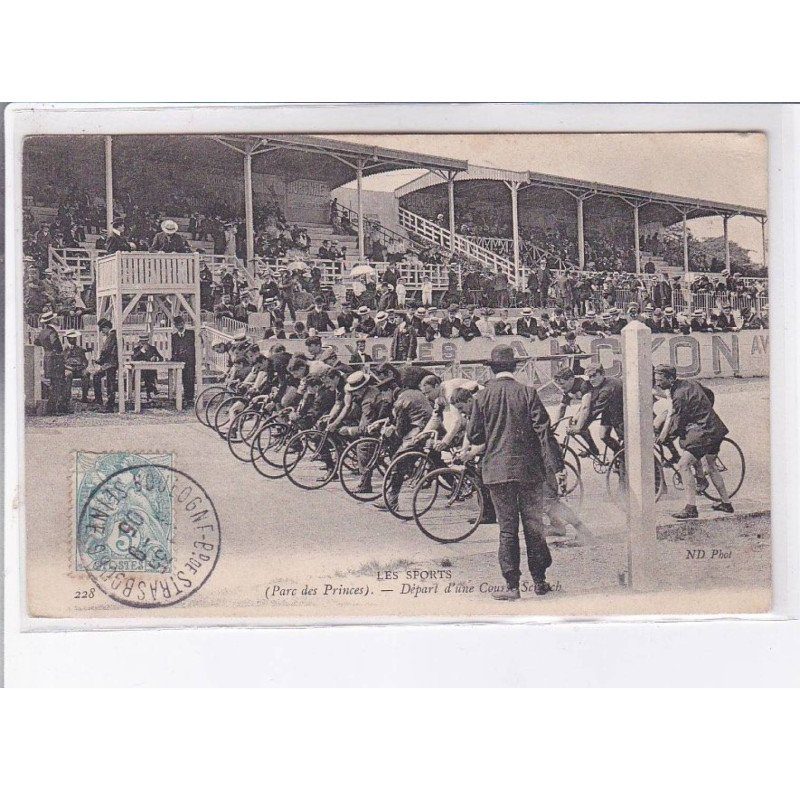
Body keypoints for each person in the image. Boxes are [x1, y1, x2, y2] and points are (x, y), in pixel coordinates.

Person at [464, 344, 565, 600]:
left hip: (497, 472)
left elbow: (474, 434)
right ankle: (540, 581)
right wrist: (557, 466)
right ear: (514, 367)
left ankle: (512, 586)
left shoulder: (481, 397)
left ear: (493, 368)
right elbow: (544, 431)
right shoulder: (528, 393)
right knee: (534, 525)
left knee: (507, 529)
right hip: (529, 470)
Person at [654, 364, 733, 519]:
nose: (658, 383)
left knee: (683, 465)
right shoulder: (690, 382)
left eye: (660, 380)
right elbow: (708, 393)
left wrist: (666, 436)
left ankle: (691, 508)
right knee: (711, 466)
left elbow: (677, 421)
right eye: (656, 380)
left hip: (704, 432)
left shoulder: (679, 395)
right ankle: (726, 503)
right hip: (715, 428)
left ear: (670, 379)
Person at [568, 364, 624, 457]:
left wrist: (579, 427)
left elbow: (594, 411)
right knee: (603, 435)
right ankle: (617, 452)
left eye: (594, 376)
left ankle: (623, 458)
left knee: (625, 441)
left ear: (602, 374)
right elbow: (589, 403)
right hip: (609, 409)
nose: (591, 379)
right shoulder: (597, 384)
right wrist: (578, 416)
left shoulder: (607, 389)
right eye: (589, 377)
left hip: (621, 413)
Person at [34, 311, 67, 414]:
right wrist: (62, 352)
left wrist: (45, 346)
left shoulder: (42, 332)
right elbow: (56, 345)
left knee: (52, 383)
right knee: (57, 383)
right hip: (55, 358)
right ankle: (54, 408)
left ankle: (51, 408)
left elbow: (36, 342)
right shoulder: (52, 332)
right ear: (51, 320)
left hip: (47, 357)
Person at [92, 317, 118, 411]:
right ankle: (100, 400)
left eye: (102, 329)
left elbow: (105, 350)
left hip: (110, 363)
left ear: (106, 327)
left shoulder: (111, 336)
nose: (102, 332)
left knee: (110, 384)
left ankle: (109, 405)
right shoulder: (113, 335)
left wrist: (99, 360)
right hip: (109, 363)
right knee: (97, 376)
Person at [170, 314, 196, 404]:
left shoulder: (191, 333)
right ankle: (182, 398)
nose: (179, 326)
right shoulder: (174, 336)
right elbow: (173, 349)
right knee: (180, 379)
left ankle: (190, 398)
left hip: (190, 360)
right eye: (177, 325)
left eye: (180, 323)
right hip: (179, 361)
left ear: (183, 323)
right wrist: (174, 358)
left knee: (189, 379)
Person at [131, 333, 164, 401]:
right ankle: (152, 388)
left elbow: (161, 358)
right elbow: (133, 358)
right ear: (139, 342)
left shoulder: (153, 348)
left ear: (148, 341)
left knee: (149, 373)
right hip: (140, 370)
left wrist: (155, 358)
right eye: (142, 342)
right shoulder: (137, 349)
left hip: (150, 369)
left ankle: (150, 392)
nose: (144, 344)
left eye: (145, 342)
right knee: (146, 374)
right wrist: (141, 351)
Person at [62, 329, 91, 404]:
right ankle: (67, 397)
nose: (74, 339)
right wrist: (69, 368)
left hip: (79, 369)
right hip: (68, 369)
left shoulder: (80, 349)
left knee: (86, 374)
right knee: (68, 375)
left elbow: (85, 361)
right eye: (72, 338)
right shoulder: (64, 349)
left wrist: (81, 367)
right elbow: (61, 362)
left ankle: (84, 397)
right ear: (68, 338)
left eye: (75, 338)